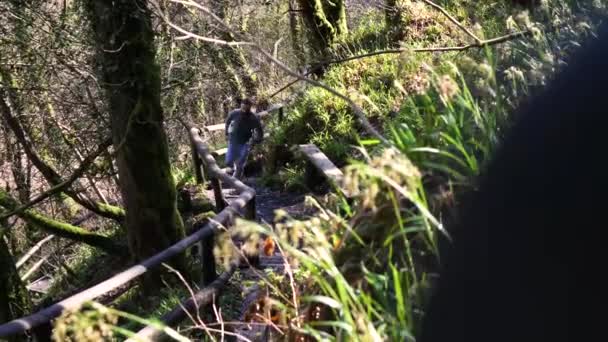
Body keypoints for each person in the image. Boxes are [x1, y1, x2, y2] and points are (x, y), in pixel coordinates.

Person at [225, 98, 263, 179]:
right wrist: (226, 133)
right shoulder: (234, 113)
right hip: (233, 140)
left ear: (249, 107)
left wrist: (258, 139)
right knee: (229, 160)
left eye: (246, 108)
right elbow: (227, 122)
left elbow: (259, 129)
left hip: (246, 142)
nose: (244, 110)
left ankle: (236, 181)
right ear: (241, 106)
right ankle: (231, 173)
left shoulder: (253, 117)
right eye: (243, 108)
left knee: (240, 162)